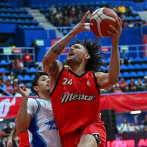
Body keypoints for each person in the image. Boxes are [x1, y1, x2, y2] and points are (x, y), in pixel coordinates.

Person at [42, 11, 122, 147]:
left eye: (77, 47)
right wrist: (73, 32)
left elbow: (112, 79)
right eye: (70, 48)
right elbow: (46, 61)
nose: (71, 48)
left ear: (86, 57)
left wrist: (114, 44)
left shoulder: (94, 77)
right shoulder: (59, 73)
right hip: (67, 137)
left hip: (92, 129)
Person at [15, 71, 62, 147]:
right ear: (36, 88)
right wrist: (24, 99)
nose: (48, 80)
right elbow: (21, 128)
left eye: (49, 78)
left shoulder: (61, 104)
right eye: (43, 79)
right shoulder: (33, 102)